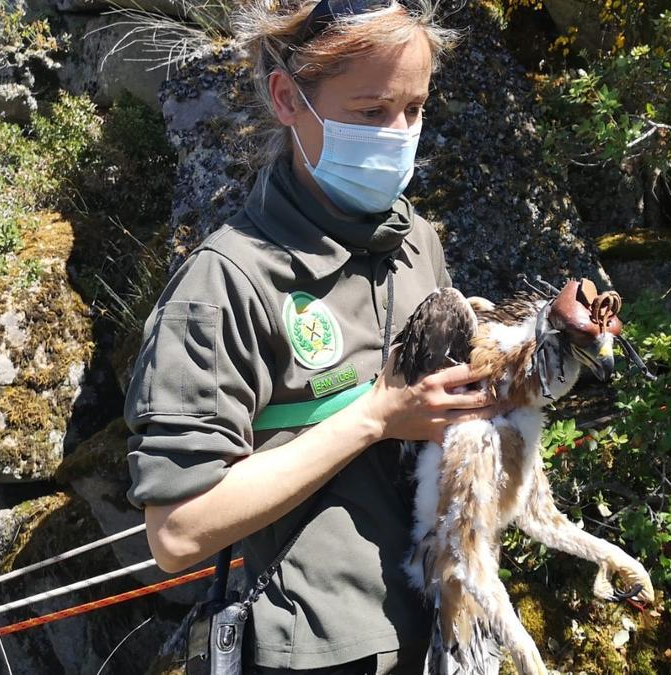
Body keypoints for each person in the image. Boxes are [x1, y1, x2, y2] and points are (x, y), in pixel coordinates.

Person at [122, 1, 497, 672]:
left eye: (414, 109)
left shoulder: (417, 243)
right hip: (322, 653)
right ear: (287, 98)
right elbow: (177, 531)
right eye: (371, 112)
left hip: (443, 636)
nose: (399, 135)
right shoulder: (225, 283)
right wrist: (373, 418)